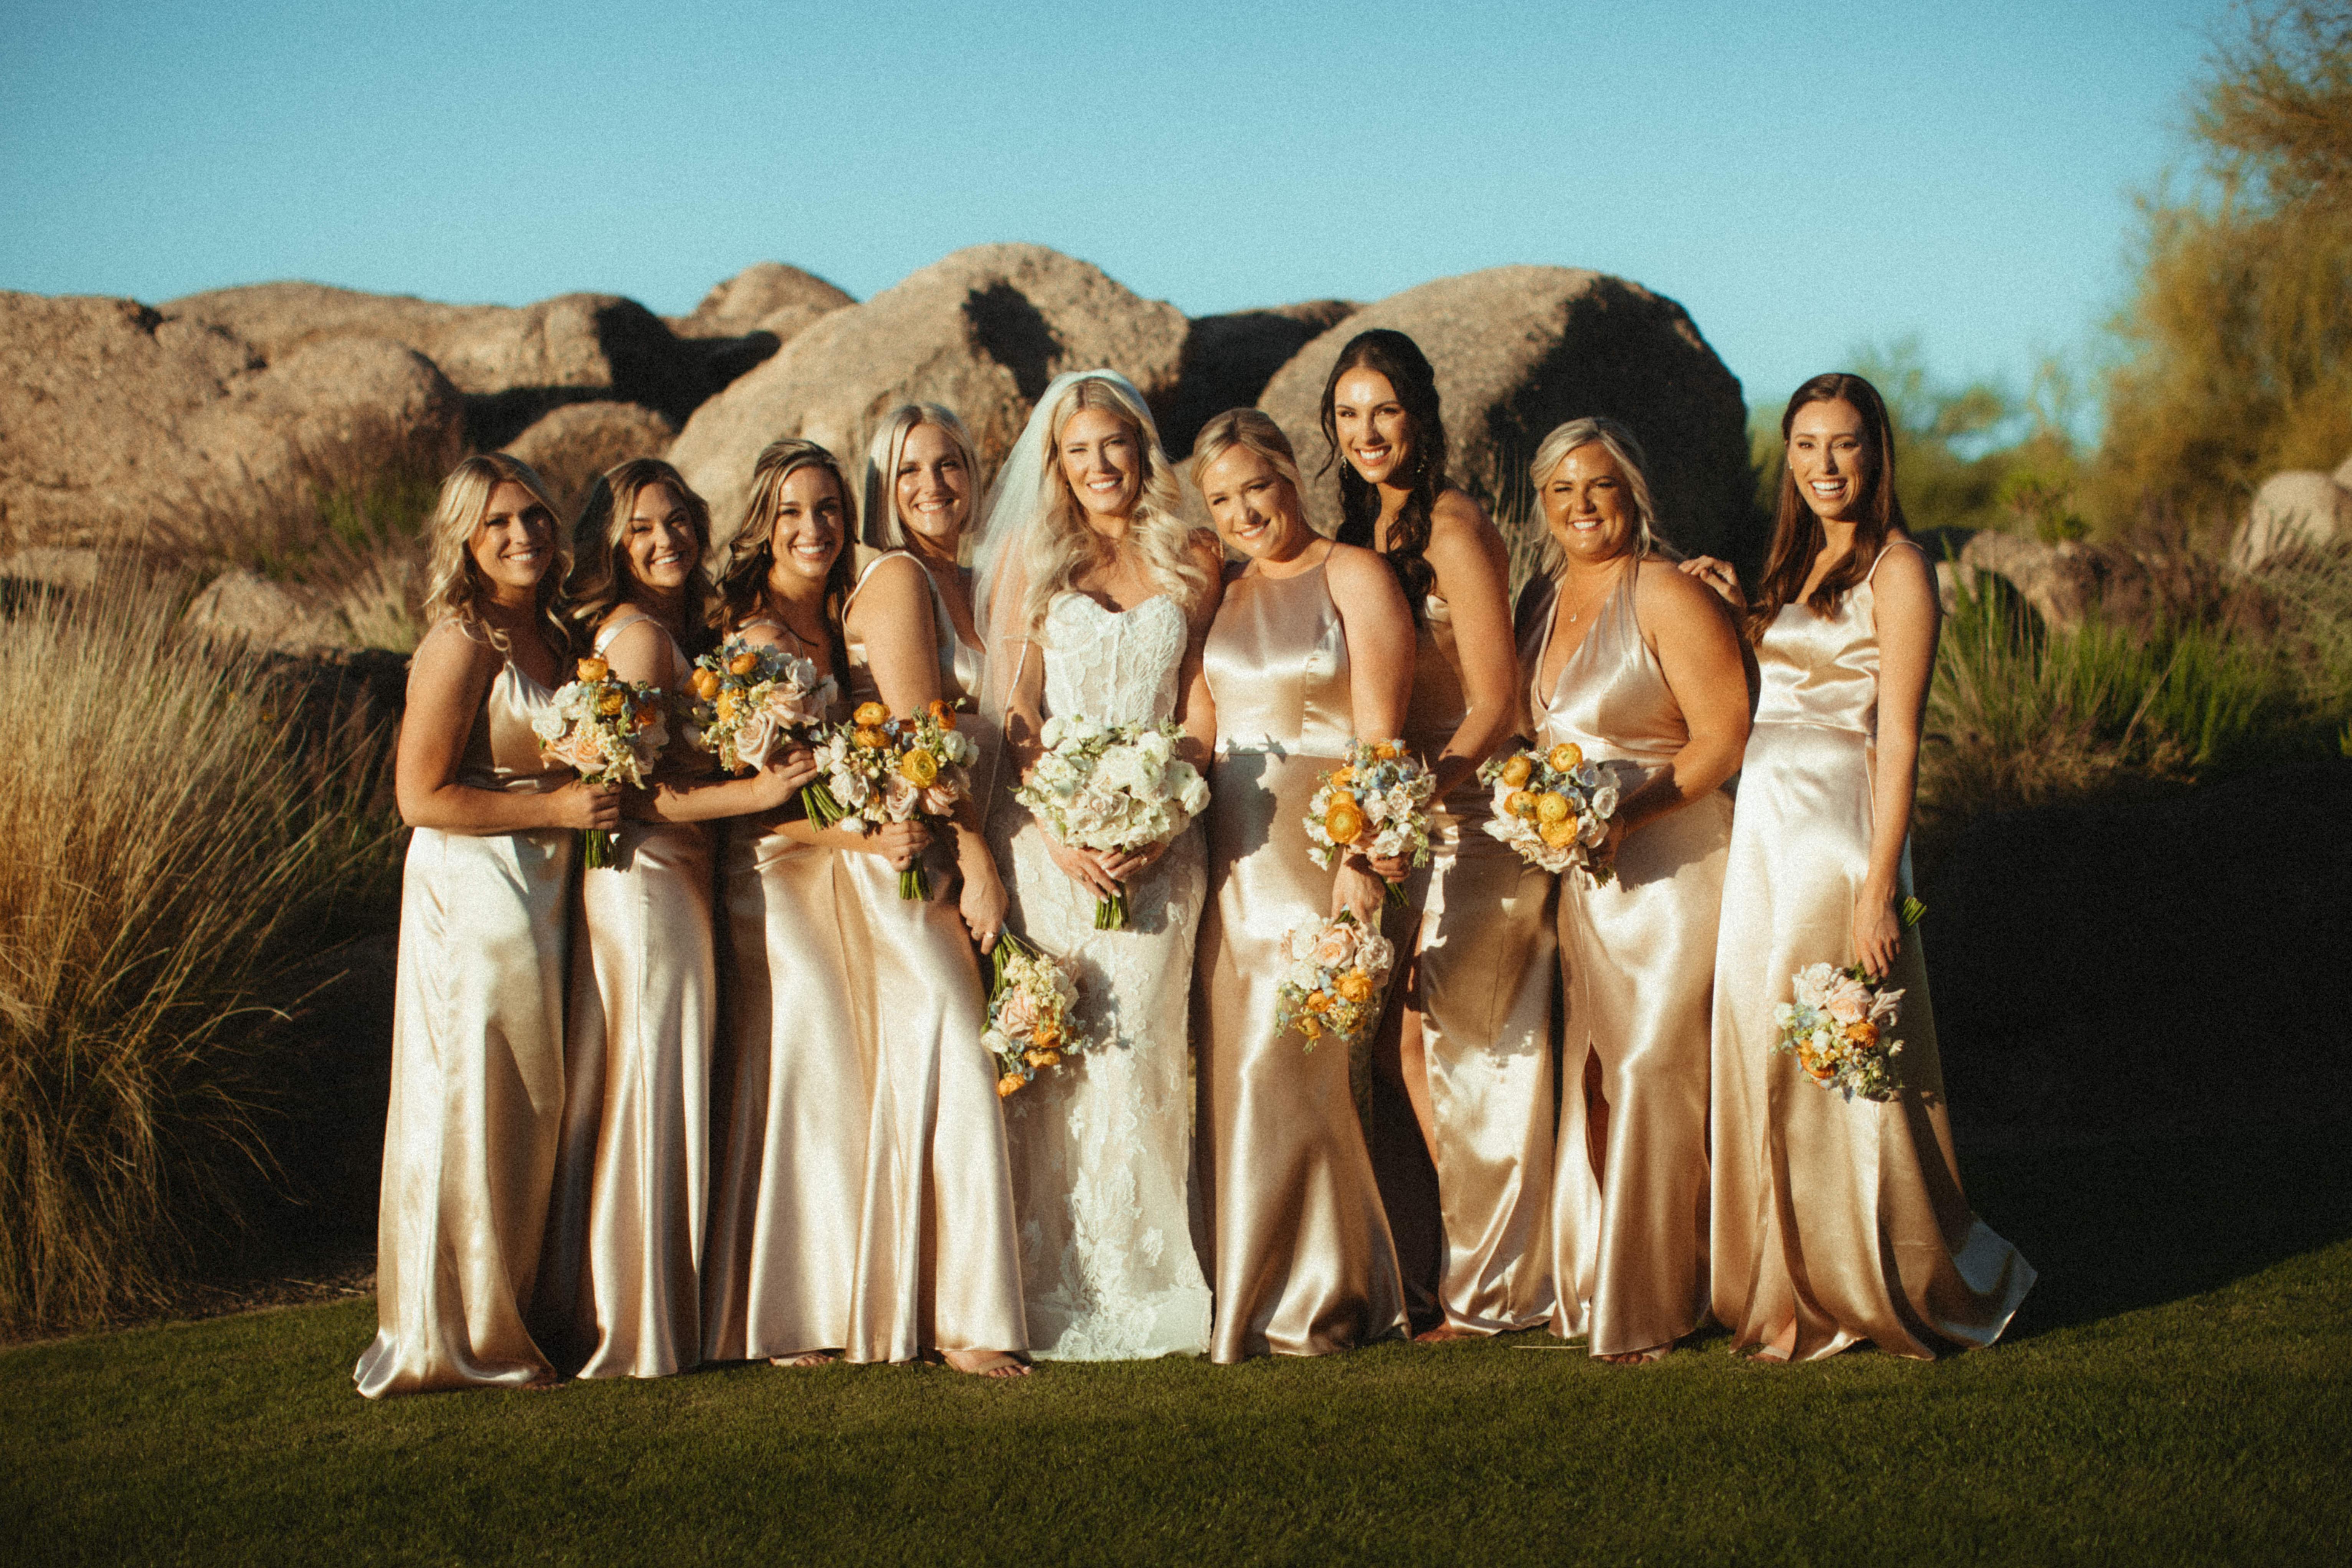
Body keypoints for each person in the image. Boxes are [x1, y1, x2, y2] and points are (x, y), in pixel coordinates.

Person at [1684, 373, 2035, 1360]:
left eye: (1842, 443)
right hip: (1765, 826)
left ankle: (1870, 1277)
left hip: (1835, 831)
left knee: (1834, 1049)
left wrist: (1880, 887)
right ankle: (1783, 1278)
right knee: (1762, 1039)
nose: (1823, 464)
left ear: (1874, 453)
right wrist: (1739, 614)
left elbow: (1900, 736)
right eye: (1804, 445)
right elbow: (1780, 690)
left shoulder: (1898, 567)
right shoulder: (1796, 561)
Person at [536, 459, 813, 1380]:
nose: (669, 541)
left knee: (663, 1077)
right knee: (652, 1082)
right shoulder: (639, 640)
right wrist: (758, 794)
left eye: (679, 522)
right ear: (613, 545)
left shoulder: (678, 630)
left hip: (678, 876)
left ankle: (658, 1308)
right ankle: (635, 1326)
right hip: (646, 880)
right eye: (643, 529)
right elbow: (635, 795)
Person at [355, 454, 616, 1397]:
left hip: (546, 890)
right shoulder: (461, 643)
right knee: (474, 1100)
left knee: (535, 1109)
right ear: (465, 539)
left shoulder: (555, 634)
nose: (522, 536)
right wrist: (555, 811)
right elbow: (418, 797)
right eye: (499, 522)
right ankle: (457, 1338)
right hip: (474, 893)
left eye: (535, 517)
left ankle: (523, 1313)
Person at [974, 370, 1221, 1360]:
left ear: (1140, 447)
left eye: (1112, 443)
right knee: (1063, 1053)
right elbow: (1015, 709)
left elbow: (1199, 696)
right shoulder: (1031, 558)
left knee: (1142, 1048)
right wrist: (1057, 824)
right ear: (1056, 463)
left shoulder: (1192, 554)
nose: (1098, 464)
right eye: (1077, 450)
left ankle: (1141, 1278)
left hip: (1164, 844)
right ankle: (1049, 1275)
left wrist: (1167, 809)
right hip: (1053, 847)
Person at [1320, 330, 1555, 1338]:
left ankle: (1495, 1283)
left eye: (1383, 409)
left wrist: (1419, 794)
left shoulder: (1452, 527)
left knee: (1448, 1044)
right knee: (1390, 1045)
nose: (1366, 432)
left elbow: (1498, 699)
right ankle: (1427, 1266)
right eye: (1347, 415)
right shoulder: (1357, 534)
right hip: (1399, 812)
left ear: (1418, 414)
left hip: (1468, 808)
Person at [1515, 419, 1749, 1363]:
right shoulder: (1539, 600)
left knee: (1658, 1070)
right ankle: (1618, 1275)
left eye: (1599, 486)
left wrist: (1630, 814)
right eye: (1561, 490)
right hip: (1588, 885)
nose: (1581, 506)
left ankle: (1659, 1301)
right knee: (1601, 1078)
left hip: (1675, 866)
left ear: (1632, 494)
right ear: (1541, 504)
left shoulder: (1663, 591)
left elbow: (1723, 734)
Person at [1188, 409, 1414, 1362]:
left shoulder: (1351, 573)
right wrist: (1142, 802)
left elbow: (1380, 735)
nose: (1244, 513)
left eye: (1257, 488)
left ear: (1291, 477)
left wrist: (1361, 859)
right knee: (1234, 1068)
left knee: (1295, 1063)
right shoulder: (1220, 592)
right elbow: (1199, 729)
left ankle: (1320, 1297)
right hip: (1229, 854)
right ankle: (1245, 1288)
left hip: (1319, 847)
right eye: (1221, 500)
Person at [699, 439, 908, 1368]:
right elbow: (762, 805)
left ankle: (844, 1290)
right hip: (779, 879)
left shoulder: (841, 622)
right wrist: (867, 840)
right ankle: (784, 1314)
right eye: (790, 512)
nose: (812, 528)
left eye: (827, 509)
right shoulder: (750, 646)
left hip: (846, 869)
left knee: (847, 1077)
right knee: (803, 1071)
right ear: (763, 526)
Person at [836, 406, 1028, 1376]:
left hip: (975, 842)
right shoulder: (899, 580)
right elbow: (921, 741)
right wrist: (975, 858)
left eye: (948, 464)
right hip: (914, 858)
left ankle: (940, 1292)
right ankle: (963, 1320)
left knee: (972, 1056)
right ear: (881, 486)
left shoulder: (977, 579)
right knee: (954, 1045)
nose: (932, 485)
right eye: (908, 470)